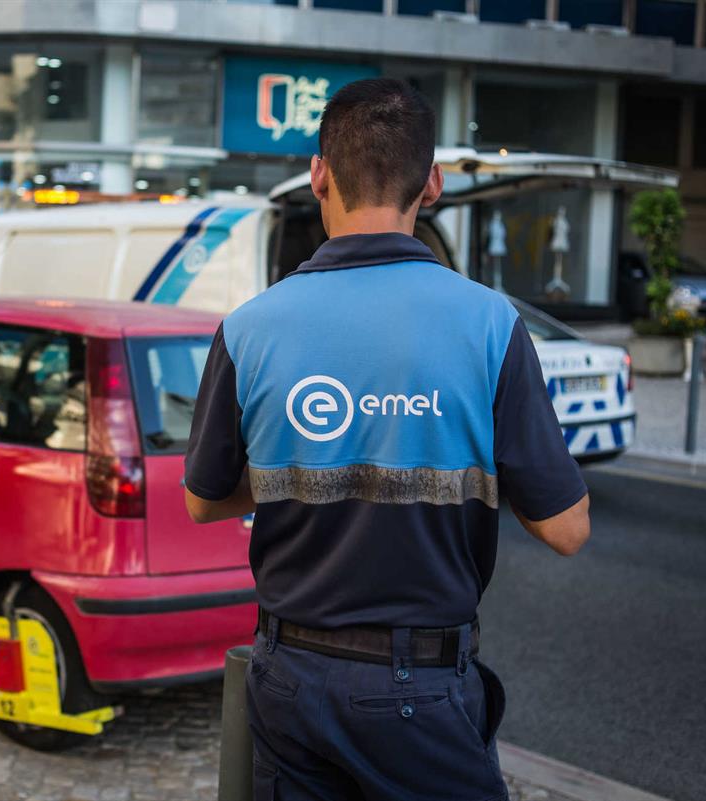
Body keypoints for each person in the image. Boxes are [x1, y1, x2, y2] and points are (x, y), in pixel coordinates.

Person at [183, 78, 590, 801]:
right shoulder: (489, 325)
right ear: (431, 183)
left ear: (318, 175)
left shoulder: (249, 326)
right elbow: (564, 528)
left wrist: (303, 455)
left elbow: (202, 500)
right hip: (420, 693)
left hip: (288, 677)